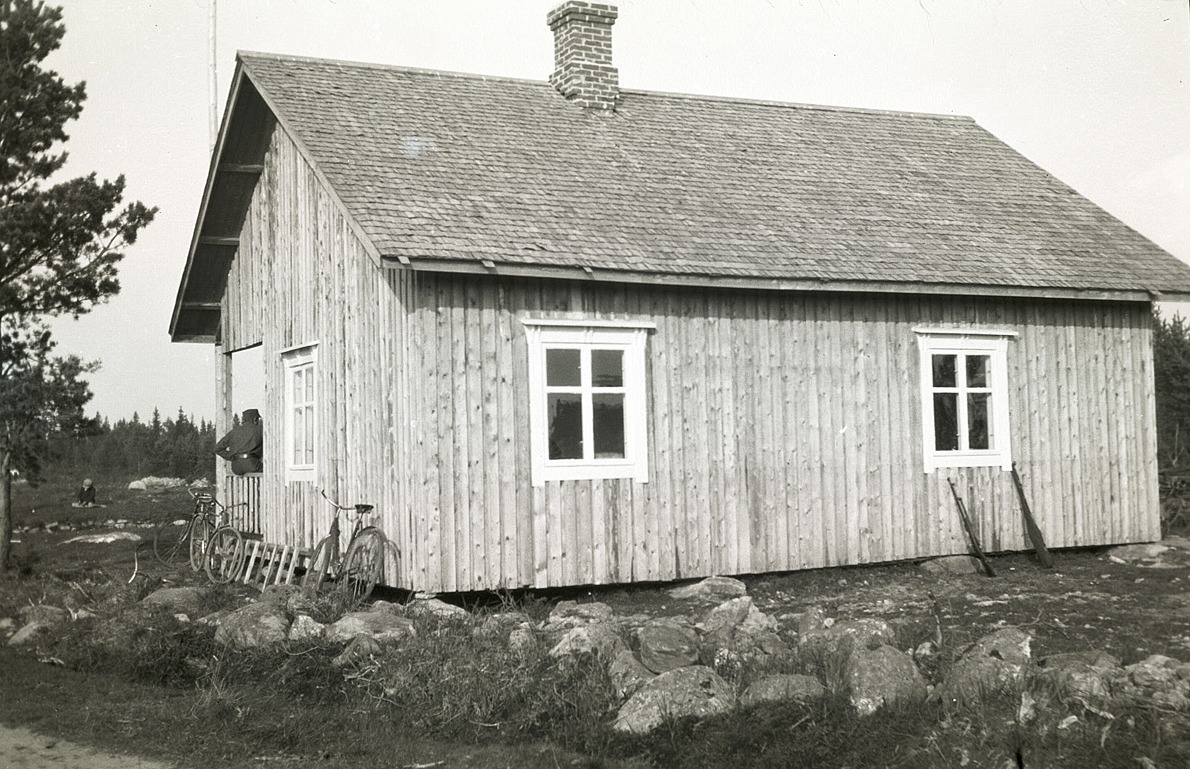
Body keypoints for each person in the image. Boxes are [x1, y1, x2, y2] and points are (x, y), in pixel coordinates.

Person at [215, 408, 264, 475]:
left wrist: (232, 456)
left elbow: (217, 448)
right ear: (255, 419)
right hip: (252, 465)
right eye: (258, 419)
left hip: (236, 467)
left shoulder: (234, 432)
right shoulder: (259, 430)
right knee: (270, 469)